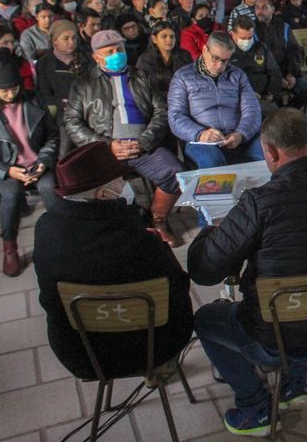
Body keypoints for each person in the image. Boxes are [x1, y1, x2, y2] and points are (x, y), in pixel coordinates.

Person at [189, 108, 307, 436]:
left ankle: (254, 403)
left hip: (272, 341)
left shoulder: (259, 203)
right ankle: (294, 383)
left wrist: (208, 233)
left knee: (206, 318)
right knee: (302, 279)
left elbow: (204, 271)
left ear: (269, 152)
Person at [33, 141, 193, 381]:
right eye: (121, 181)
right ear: (103, 194)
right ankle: (160, 372)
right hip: (151, 351)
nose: (126, 186)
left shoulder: (45, 227)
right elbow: (178, 286)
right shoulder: (138, 237)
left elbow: (48, 297)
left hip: (79, 353)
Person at [64, 30, 184, 247]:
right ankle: (111, 228)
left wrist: (144, 141)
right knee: (91, 186)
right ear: (95, 57)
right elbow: (72, 122)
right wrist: (107, 146)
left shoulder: (142, 76)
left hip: (143, 145)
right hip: (104, 150)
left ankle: (158, 219)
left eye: (119, 49)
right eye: (109, 51)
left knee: (176, 171)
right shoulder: (83, 84)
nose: (116, 54)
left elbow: (162, 112)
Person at [0, 49, 59, 276]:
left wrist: (44, 161)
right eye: (3, 90)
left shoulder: (34, 99)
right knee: (12, 195)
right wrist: (7, 170)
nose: (9, 94)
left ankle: (61, 237)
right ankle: (10, 246)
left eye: (14, 88)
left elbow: (52, 135)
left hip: (36, 163)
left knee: (50, 189)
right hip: (5, 166)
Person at [168, 31, 264, 171]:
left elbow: (252, 110)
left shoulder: (237, 75)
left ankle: (262, 192)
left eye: (225, 60)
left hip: (237, 135)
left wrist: (241, 133)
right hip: (201, 140)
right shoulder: (183, 77)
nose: (219, 66)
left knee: (266, 153)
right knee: (212, 162)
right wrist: (201, 134)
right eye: (215, 58)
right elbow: (175, 116)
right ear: (205, 50)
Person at [36, 20, 92, 156]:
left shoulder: (86, 59)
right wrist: (62, 104)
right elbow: (44, 93)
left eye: (74, 38)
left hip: (87, 108)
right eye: (65, 38)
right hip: (61, 112)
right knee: (65, 149)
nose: (71, 42)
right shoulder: (44, 63)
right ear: (54, 41)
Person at [254, 0, 307, 109]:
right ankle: (281, 116)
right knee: (273, 93)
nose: (259, 11)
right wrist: (277, 77)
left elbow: (294, 50)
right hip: (265, 73)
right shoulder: (252, 29)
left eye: (264, 7)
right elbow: (256, 57)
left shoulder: (284, 26)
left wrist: (291, 73)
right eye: (257, 7)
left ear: (272, 9)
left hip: (287, 70)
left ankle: (286, 113)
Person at [228, 15, 282, 116]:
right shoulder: (226, 52)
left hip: (263, 97)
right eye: (243, 38)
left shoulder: (262, 48)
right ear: (233, 35)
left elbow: (275, 72)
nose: (247, 41)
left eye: (250, 37)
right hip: (238, 99)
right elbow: (224, 80)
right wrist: (247, 94)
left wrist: (271, 92)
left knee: (278, 117)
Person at [136, 20, 192, 95]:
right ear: (154, 39)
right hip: (157, 103)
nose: (169, 40)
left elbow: (192, 80)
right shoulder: (145, 60)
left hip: (183, 99)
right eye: (164, 36)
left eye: (172, 36)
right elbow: (146, 91)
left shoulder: (184, 55)